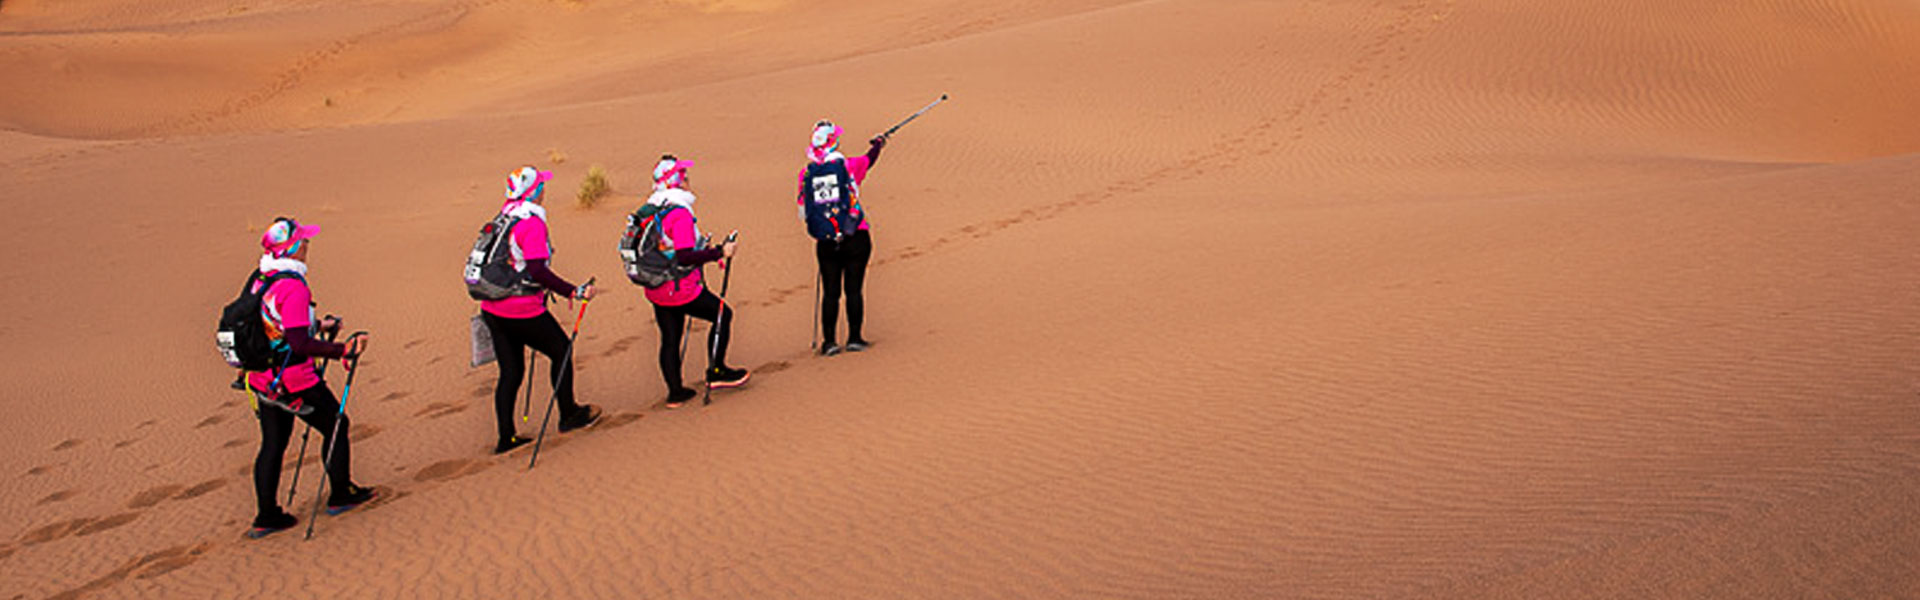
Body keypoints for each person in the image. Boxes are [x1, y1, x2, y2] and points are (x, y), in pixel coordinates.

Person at [245, 217, 376, 538]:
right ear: (291, 247)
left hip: (262, 378)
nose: (307, 246)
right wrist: (343, 349)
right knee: (336, 425)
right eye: (303, 241)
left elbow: (273, 327)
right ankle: (341, 494)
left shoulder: (261, 277)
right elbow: (297, 344)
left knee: (273, 444)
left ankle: (266, 515)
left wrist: (319, 326)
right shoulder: (293, 286)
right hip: (293, 378)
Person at [479, 166, 602, 453]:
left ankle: (506, 437)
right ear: (534, 191)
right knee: (561, 350)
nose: (544, 190)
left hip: (492, 308)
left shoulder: (504, 216)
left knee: (510, 371)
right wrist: (574, 291)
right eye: (541, 185)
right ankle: (569, 414)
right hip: (520, 309)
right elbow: (537, 270)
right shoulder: (531, 223)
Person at [642, 155, 749, 408]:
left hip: (656, 286)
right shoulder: (678, 213)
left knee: (670, 337)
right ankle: (716, 371)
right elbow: (684, 256)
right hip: (681, 288)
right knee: (723, 314)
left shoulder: (651, 208)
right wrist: (718, 252)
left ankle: (675, 392)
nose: (688, 181)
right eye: (684, 177)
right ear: (677, 182)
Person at [797, 120, 886, 356]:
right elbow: (870, 159)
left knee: (830, 291)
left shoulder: (806, 173)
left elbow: (802, 211)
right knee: (854, 289)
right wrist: (878, 143)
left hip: (825, 241)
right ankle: (855, 338)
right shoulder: (849, 165)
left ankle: (829, 342)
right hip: (854, 234)